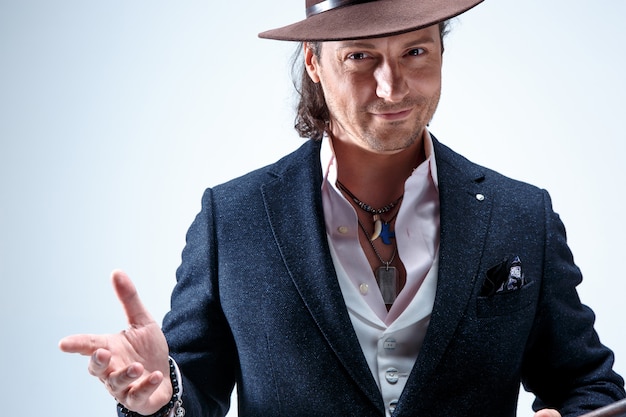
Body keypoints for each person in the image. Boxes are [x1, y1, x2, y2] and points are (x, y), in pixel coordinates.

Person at [59, 0, 626, 416]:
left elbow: (589, 385)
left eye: (416, 51)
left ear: (443, 52)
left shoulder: (519, 213)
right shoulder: (231, 219)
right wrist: (165, 399)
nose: (391, 86)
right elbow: (194, 395)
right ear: (312, 62)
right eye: (360, 56)